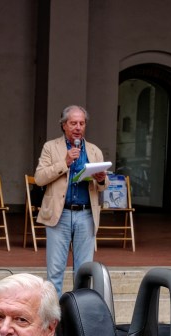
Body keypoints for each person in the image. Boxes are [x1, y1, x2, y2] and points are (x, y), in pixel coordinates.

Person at [35, 105, 109, 297]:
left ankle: (80, 311)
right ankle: (55, 313)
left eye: (82, 123)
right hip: (59, 215)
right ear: (64, 125)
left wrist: (101, 179)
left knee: (84, 271)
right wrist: (65, 162)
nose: (78, 127)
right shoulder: (51, 147)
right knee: (55, 271)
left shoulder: (94, 150)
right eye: (73, 123)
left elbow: (102, 186)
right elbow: (39, 178)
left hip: (86, 214)